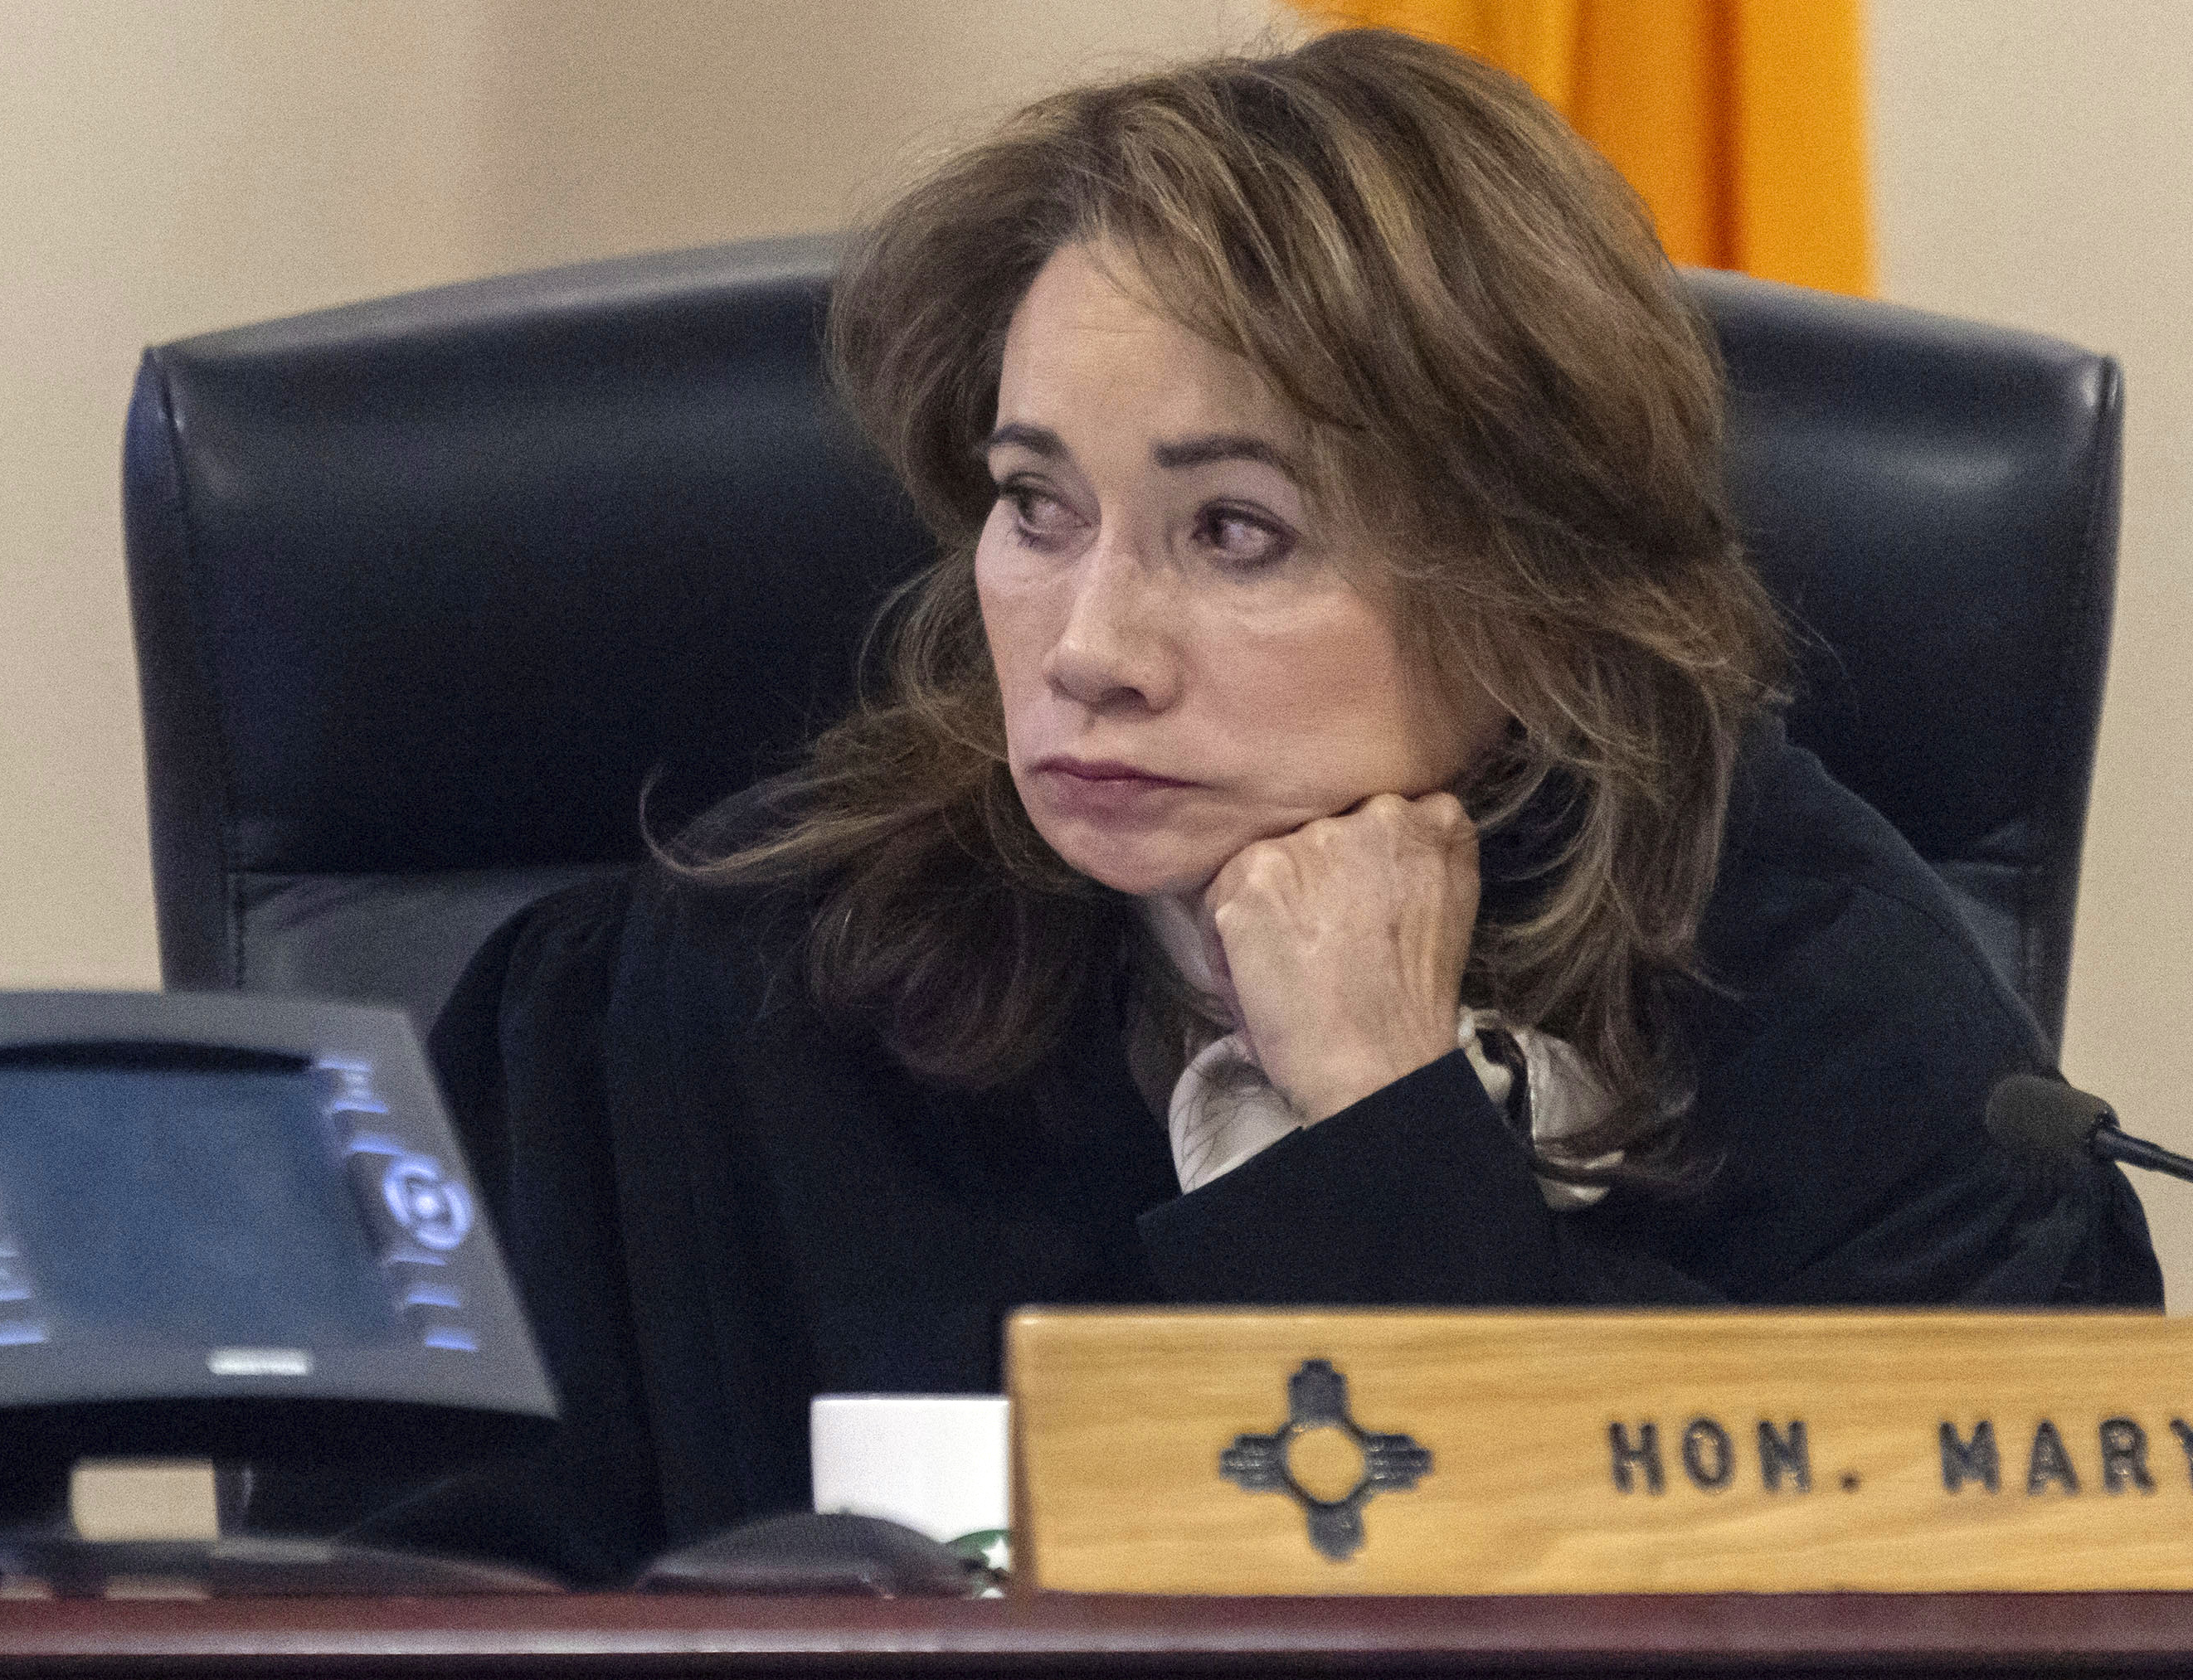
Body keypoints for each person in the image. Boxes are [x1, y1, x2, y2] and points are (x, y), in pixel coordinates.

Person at [247, 27, 2159, 1585]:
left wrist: (1385, 1134)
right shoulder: (703, 1001)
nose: (1088, 646)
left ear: (1534, 585)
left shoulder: (1853, 1055)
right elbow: (394, 1612)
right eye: (1034, 503)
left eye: (1236, 532)